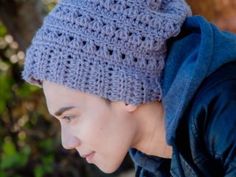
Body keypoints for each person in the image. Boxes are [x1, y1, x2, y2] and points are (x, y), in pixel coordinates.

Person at [22, 0, 236, 176]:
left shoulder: (225, 104)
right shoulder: (154, 165)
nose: (67, 142)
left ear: (125, 91)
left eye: (70, 117)